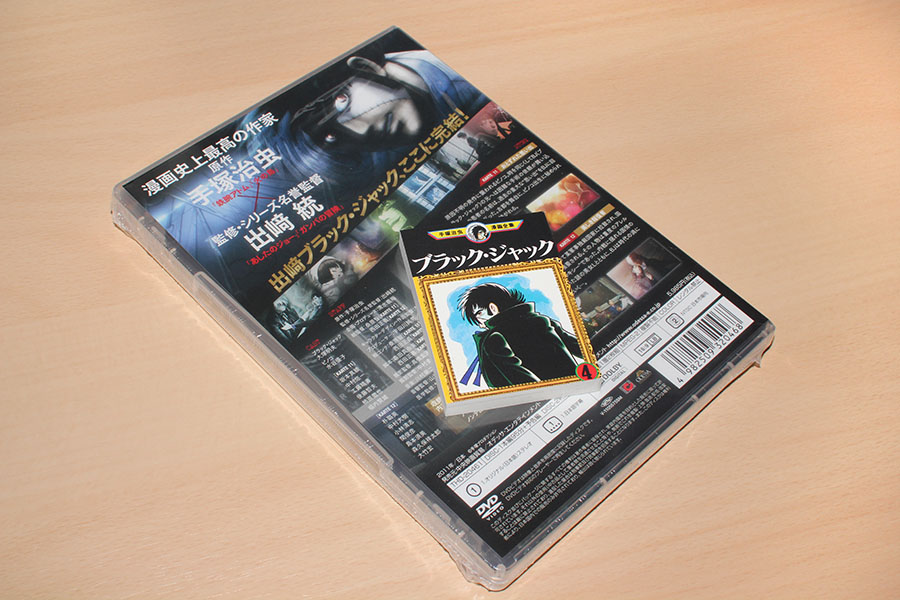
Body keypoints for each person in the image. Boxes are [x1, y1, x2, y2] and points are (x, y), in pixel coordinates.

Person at [457, 283, 582, 388]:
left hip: (547, 396)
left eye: (479, 314)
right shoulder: (540, 320)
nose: (480, 324)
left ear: (493, 308)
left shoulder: (495, 338)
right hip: (576, 382)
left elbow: (518, 377)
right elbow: (578, 346)